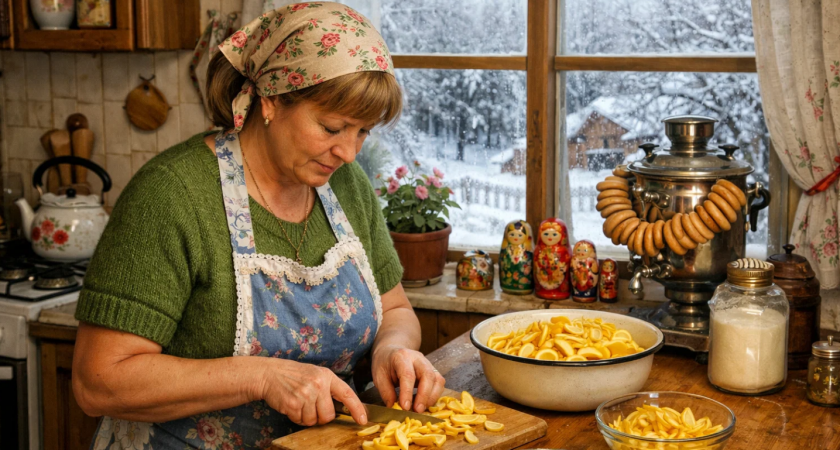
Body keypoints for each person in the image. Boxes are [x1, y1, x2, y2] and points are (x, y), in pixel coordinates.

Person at [71, 3, 445, 448]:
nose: (348, 151)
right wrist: (262, 377)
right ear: (270, 100)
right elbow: (98, 382)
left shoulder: (346, 186)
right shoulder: (172, 195)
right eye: (332, 127)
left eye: (362, 132)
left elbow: (396, 310)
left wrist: (393, 349)